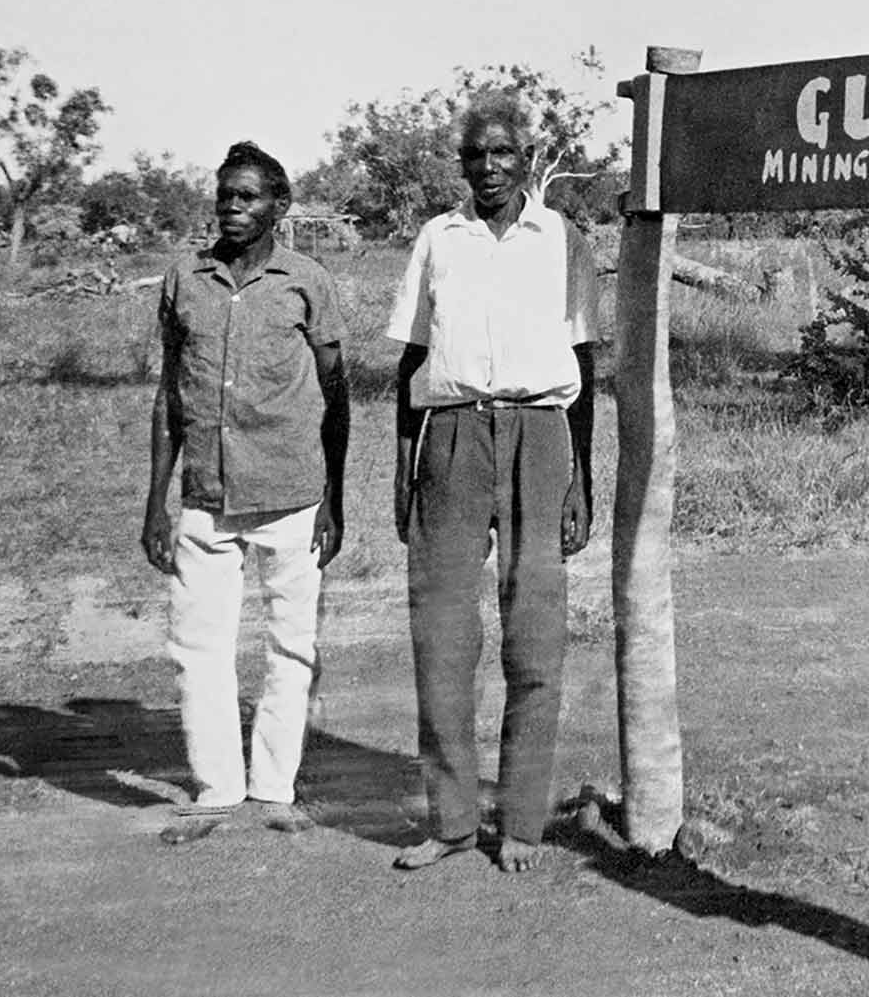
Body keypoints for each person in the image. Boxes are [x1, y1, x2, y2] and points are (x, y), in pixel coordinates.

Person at [385, 93, 600, 872]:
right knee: (442, 635)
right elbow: (410, 361)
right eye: (475, 154)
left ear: (527, 157)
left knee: (535, 636)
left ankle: (520, 823)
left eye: (503, 153)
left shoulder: (562, 238)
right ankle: (447, 821)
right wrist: (405, 473)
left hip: (541, 436)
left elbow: (588, 365)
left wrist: (582, 479)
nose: (489, 167)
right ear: (461, 162)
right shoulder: (438, 240)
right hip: (450, 437)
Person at [141, 141, 349, 845]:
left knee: (292, 646)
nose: (233, 208)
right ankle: (214, 787)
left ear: (279, 208)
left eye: (248, 197)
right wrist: (155, 504)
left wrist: (335, 498)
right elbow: (169, 395)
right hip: (205, 497)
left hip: (292, 494)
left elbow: (336, 392)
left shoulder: (307, 281)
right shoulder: (185, 280)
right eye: (225, 195)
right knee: (197, 647)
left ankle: (275, 785)